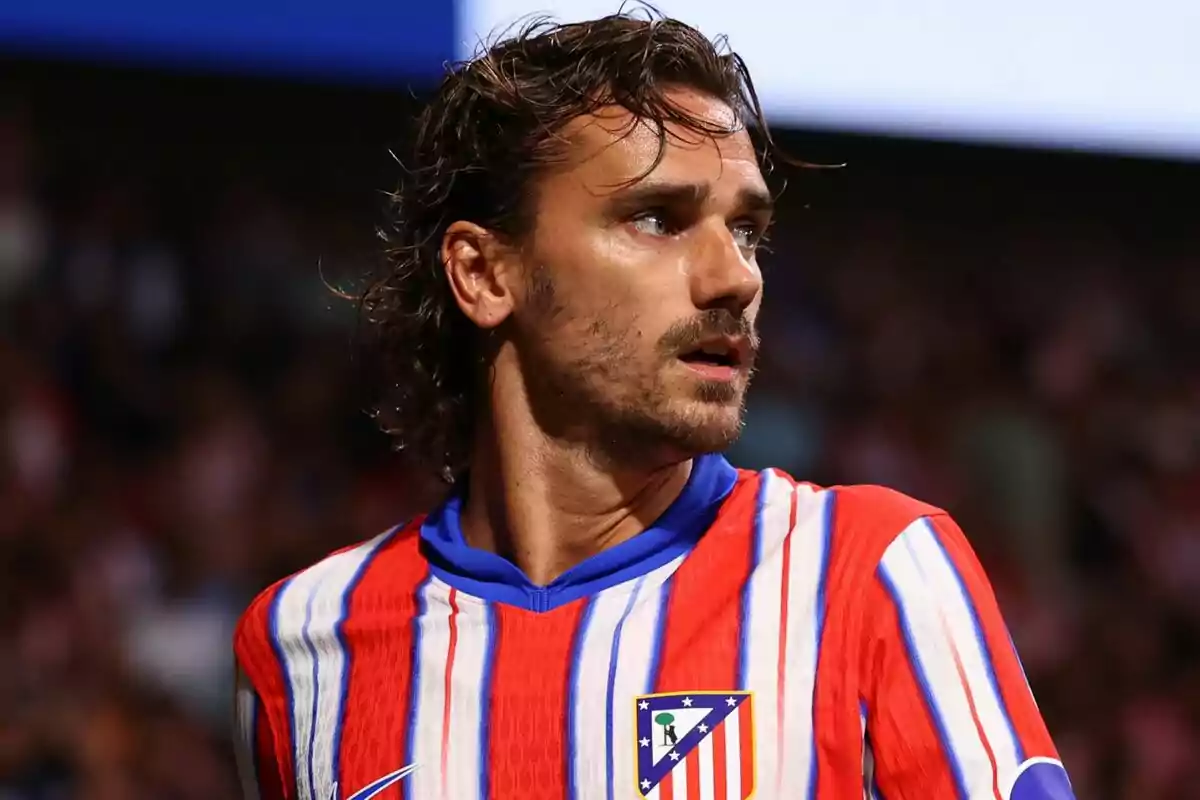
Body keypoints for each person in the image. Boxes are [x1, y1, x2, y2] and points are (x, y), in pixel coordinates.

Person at [232, 11, 1075, 800]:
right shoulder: (302, 643)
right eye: (656, 217)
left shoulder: (870, 572)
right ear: (485, 274)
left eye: (746, 230)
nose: (736, 275)